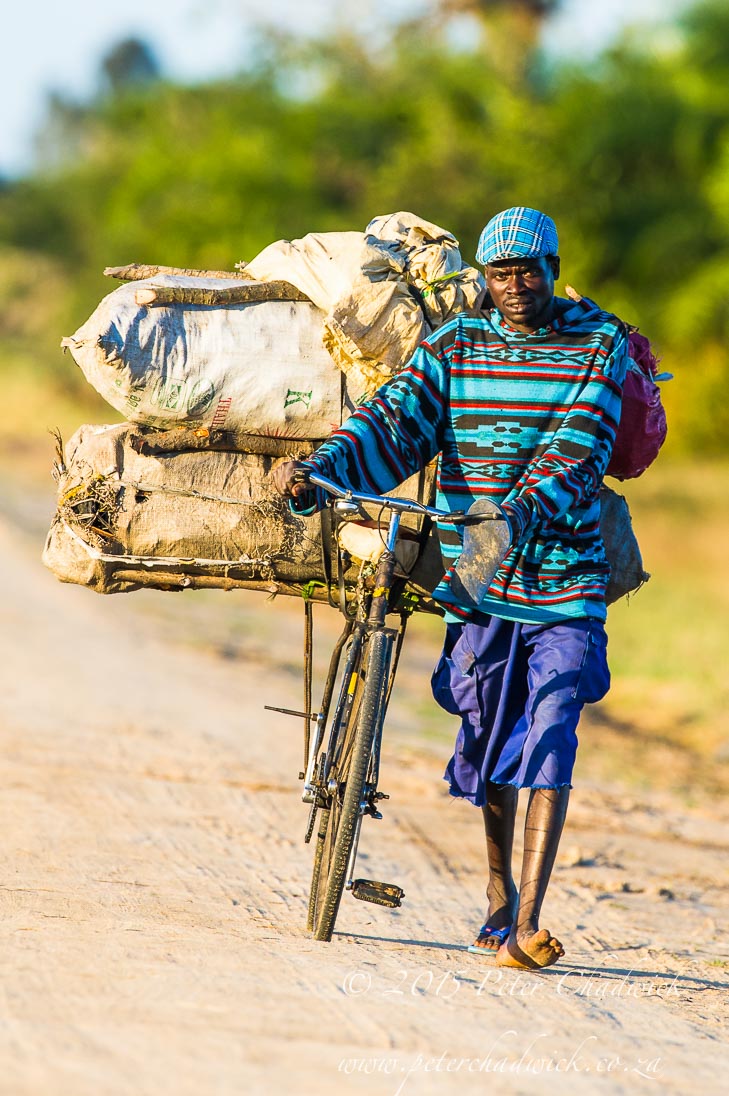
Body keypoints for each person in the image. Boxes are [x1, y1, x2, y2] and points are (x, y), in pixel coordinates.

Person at [272, 206, 628, 970]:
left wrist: (515, 515)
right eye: (500, 273)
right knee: (492, 736)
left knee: (554, 719)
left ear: (553, 268)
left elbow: (578, 449)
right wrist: (326, 468)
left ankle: (528, 925)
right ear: (487, 281)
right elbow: (397, 419)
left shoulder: (597, 345)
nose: (515, 285)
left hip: (565, 580)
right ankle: (500, 898)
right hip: (478, 582)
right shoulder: (456, 345)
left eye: (528, 270)